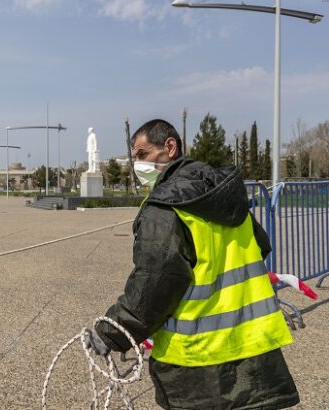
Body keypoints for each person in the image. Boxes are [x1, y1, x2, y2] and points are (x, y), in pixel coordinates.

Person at [86, 119, 299, 409]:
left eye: (142, 154)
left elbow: (154, 284)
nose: (137, 164)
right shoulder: (225, 197)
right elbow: (260, 246)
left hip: (199, 364)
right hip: (256, 353)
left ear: (169, 147)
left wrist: (111, 332)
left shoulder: (165, 207)